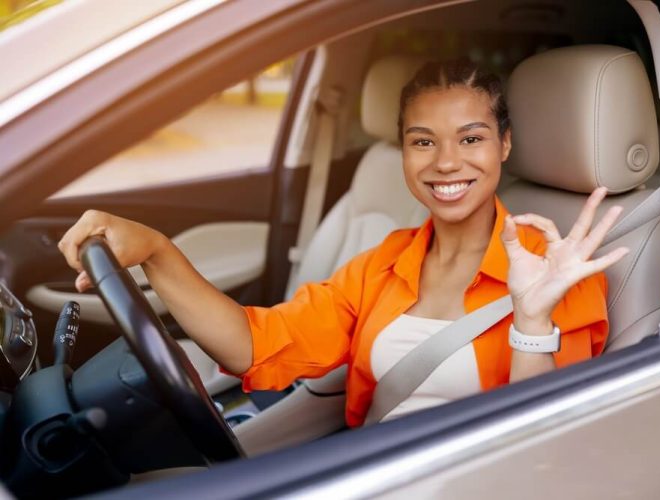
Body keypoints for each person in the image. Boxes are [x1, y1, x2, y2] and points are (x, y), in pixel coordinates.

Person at [58, 59, 629, 427]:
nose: (446, 162)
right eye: (423, 141)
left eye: (471, 138)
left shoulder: (554, 267)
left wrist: (532, 320)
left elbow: (546, 442)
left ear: (504, 145)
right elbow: (253, 347)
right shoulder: (386, 262)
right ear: (403, 150)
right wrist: (157, 250)